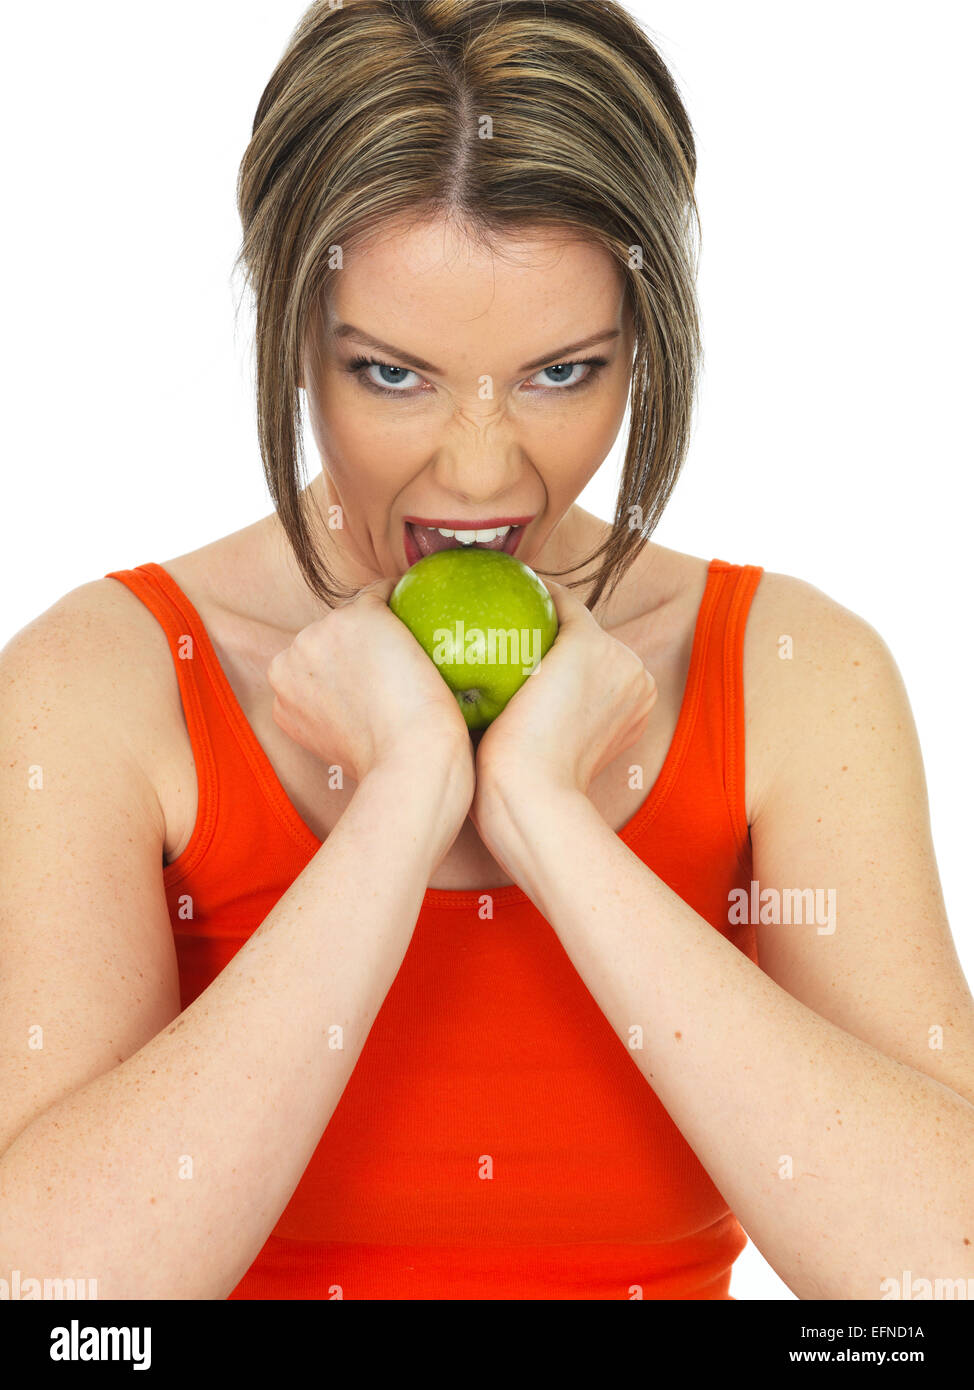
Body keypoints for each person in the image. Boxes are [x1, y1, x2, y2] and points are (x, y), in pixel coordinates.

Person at [2, 0, 973, 1302]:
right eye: (391, 374)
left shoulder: (797, 673)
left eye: (562, 372)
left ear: (646, 343)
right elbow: (53, 1302)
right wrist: (401, 802)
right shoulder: (102, 685)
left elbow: (938, 1276)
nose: (477, 469)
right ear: (295, 327)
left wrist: (543, 815)